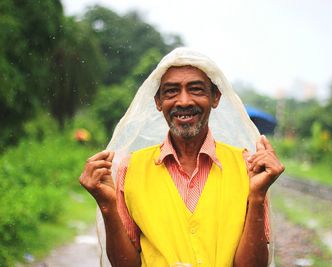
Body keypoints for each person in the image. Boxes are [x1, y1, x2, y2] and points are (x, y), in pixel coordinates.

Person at [79, 48, 284, 267]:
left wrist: (258, 196)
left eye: (196, 90)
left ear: (215, 98)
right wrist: (107, 205)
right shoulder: (131, 169)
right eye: (171, 91)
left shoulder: (247, 168)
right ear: (158, 102)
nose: (183, 101)